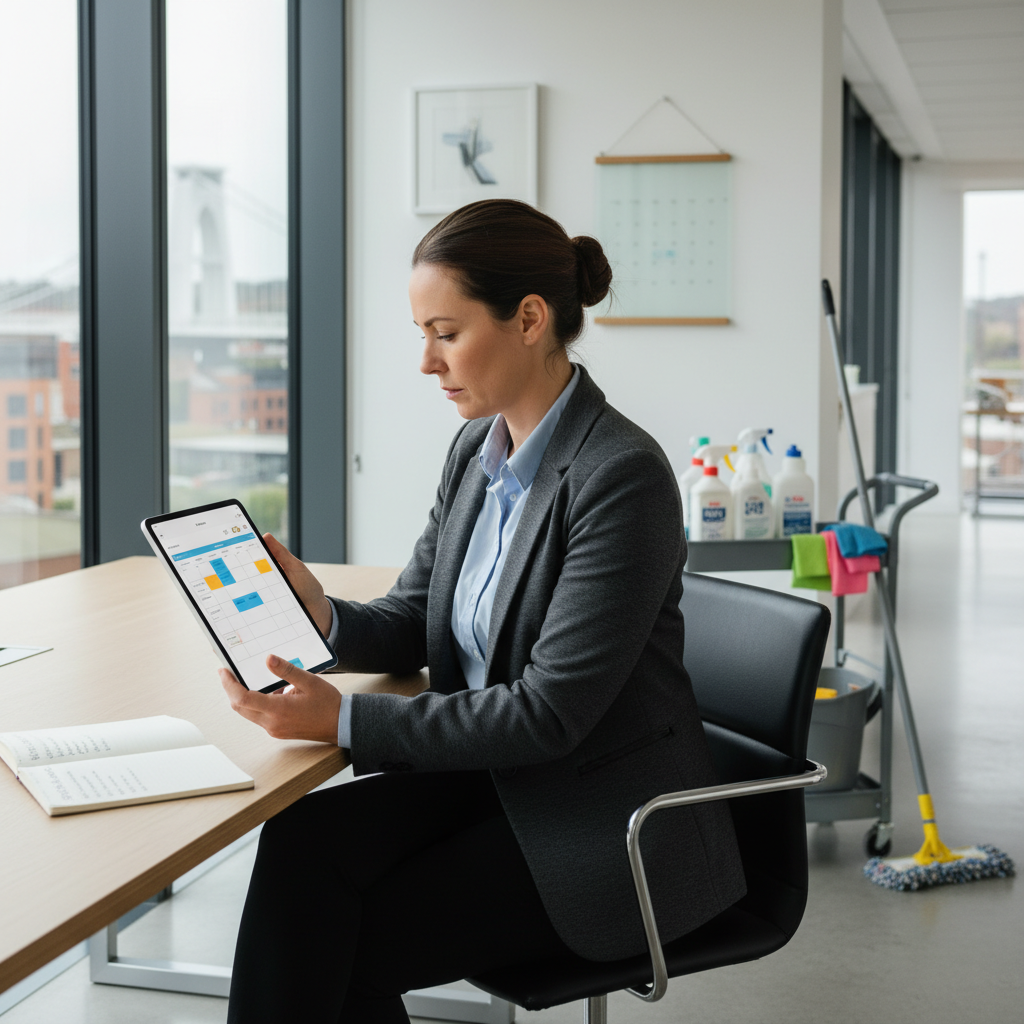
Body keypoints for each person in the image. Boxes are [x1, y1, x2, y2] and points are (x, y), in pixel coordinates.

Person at [220, 199, 746, 1023]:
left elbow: (548, 714)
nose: (427, 362)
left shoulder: (621, 477)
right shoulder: (477, 448)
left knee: (339, 939)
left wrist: (343, 721)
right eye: (422, 334)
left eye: (446, 332)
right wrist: (322, 615)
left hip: (598, 816)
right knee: (299, 844)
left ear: (529, 319)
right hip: (491, 778)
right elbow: (416, 615)